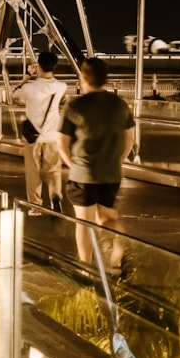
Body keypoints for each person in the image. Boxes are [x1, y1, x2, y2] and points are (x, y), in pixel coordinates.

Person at [55, 56, 137, 272]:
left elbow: (62, 144)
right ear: (105, 78)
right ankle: (118, 251)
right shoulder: (119, 104)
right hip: (111, 173)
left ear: (84, 77)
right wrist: (116, 160)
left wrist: (73, 165)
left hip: (84, 174)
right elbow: (129, 139)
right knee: (107, 218)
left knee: (84, 222)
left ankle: (85, 267)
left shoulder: (76, 106)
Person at [17, 50, 68, 211]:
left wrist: (27, 75)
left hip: (33, 136)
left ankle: (35, 205)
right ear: (55, 66)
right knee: (53, 170)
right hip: (53, 134)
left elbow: (14, 93)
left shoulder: (31, 87)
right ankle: (55, 198)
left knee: (33, 171)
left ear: (38, 66)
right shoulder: (61, 86)